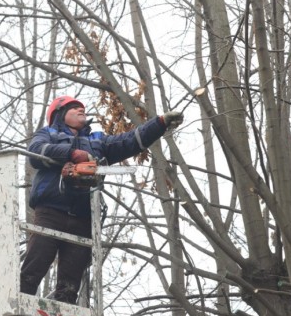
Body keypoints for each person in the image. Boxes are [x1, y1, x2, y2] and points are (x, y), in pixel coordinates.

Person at [21, 95, 183, 303]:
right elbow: (35, 153)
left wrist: (160, 123)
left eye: (82, 108)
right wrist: (72, 154)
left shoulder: (97, 140)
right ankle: (21, 302)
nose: (82, 110)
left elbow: (131, 140)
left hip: (83, 216)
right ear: (60, 114)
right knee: (35, 265)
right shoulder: (48, 133)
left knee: (70, 283)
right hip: (51, 211)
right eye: (74, 108)